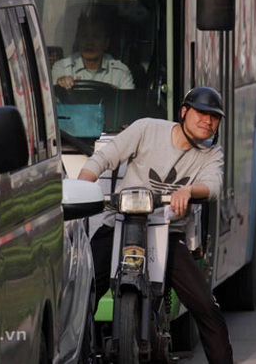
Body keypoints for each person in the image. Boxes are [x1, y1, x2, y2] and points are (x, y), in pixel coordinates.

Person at [78, 86, 234, 364]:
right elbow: (104, 158)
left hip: (167, 232)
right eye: (201, 113)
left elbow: (214, 185)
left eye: (214, 117)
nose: (207, 121)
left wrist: (189, 192)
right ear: (184, 112)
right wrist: (82, 184)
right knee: (80, 291)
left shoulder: (212, 153)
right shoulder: (147, 128)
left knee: (206, 306)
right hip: (120, 223)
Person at [51, 10, 134, 90]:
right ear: (78, 41)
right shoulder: (62, 68)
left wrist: (115, 93)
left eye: (96, 37)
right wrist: (61, 83)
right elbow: (49, 98)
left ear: (106, 43)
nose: (89, 42)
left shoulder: (120, 73)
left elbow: (128, 101)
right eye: (84, 37)